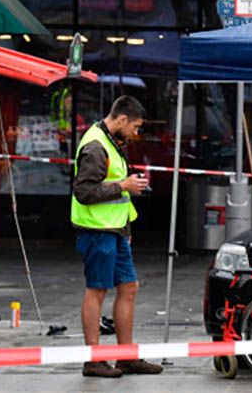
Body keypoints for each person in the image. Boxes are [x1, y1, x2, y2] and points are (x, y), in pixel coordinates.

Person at [71, 96, 163, 378]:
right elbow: (84, 192)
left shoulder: (111, 142)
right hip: (97, 231)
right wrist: (123, 185)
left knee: (129, 287)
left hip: (115, 230)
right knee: (97, 290)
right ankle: (94, 360)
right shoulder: (96, 146)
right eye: (135, 126)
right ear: (122, 120)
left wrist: (125, 228)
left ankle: (125, 357)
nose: (136, 132)